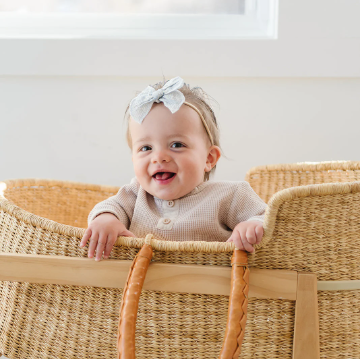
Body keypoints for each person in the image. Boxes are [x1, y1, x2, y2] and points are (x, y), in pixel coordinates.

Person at [80, 76, 266, 261]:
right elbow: (110, 207)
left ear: (209, 158)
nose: (159, 157)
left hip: (208, 287)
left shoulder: (231, 195)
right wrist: (106, 219)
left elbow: (267, 217)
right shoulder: (136, 194)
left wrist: (252, 226)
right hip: (141, 287)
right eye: (146, 148)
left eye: (177, 145)